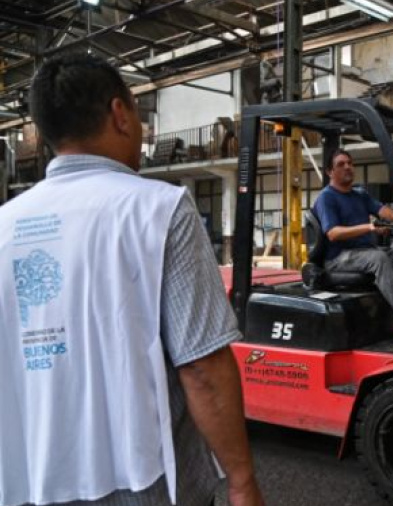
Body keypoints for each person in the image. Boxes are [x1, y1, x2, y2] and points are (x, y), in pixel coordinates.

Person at [0, 53, 265, 506]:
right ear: (120, 114)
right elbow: (201, 366)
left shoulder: (5, 224)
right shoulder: (160, 210)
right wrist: (241, 481)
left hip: (33, 478)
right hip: (143, 484)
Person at [312, 149, 393, 322]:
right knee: (379, 258)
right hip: (339, 258)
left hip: (366, 251)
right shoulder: (326, 198)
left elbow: (382, 210)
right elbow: (333, 233)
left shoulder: (360, 194)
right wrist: (370, 227)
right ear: (330, 172)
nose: (348, 167)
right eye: (341, 164)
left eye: (350, 163)